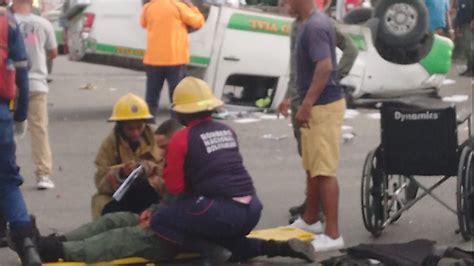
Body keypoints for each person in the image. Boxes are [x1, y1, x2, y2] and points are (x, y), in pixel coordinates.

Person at [148, 77, 315, 262]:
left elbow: (175, 188)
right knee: (225, 240)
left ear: (181, 113)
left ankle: (211, 251)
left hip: (220, 212)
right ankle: (279, 247)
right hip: (252, 208)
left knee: (159, 219)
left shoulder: (181, 139)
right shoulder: (227, 130)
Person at [280, 0, 357, 225]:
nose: (285, 6)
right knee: (308, 159)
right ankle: (311, 208)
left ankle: (321, 213)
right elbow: (296, 67)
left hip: (315, 102)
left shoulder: (320, 24)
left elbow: (348, 51)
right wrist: (287, 96)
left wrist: (334, 78)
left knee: (321, 166)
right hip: (300, 98)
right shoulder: (298, 25)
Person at [0, 5, 42, 265]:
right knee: (7, 183)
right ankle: (27, 246)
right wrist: (21, 115)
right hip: (1, 116)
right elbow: (22, 74)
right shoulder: (9, 23)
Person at [92, 93, 163, 220]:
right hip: (121, 195)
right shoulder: (109, 145)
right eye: (130, 129)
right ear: (120, 127)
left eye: (139, 127)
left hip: (153, 193)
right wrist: (121, 172)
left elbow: (171, 168)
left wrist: (149, 168)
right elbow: (100, 182)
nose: (135, 133)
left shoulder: (158, 137)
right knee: (101, 204)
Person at [13, 0, 58, 190]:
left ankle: (8, 173)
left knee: (9, 129)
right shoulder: (44, 24)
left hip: (11, 85)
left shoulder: (6, 22)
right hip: (37, 83)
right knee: (39, 130)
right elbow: (53, 52)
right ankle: (43, 175)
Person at [140, 0, 205, 117]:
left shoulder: (148, 7)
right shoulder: (179, 6)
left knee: (151, 98)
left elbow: (143, 23)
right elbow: (199, 22)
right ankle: (175, 128)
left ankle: (147, 128)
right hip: (175, 60)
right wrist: (192, 7)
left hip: (153, 60)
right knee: (176, 98)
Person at [455, 0, 472, 76]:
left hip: (470, 25)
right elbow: (459, 13)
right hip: (463, 25)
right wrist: (458, 26)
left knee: (470, 48)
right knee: (466, 47)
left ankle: (472, 70)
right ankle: (469, 68)